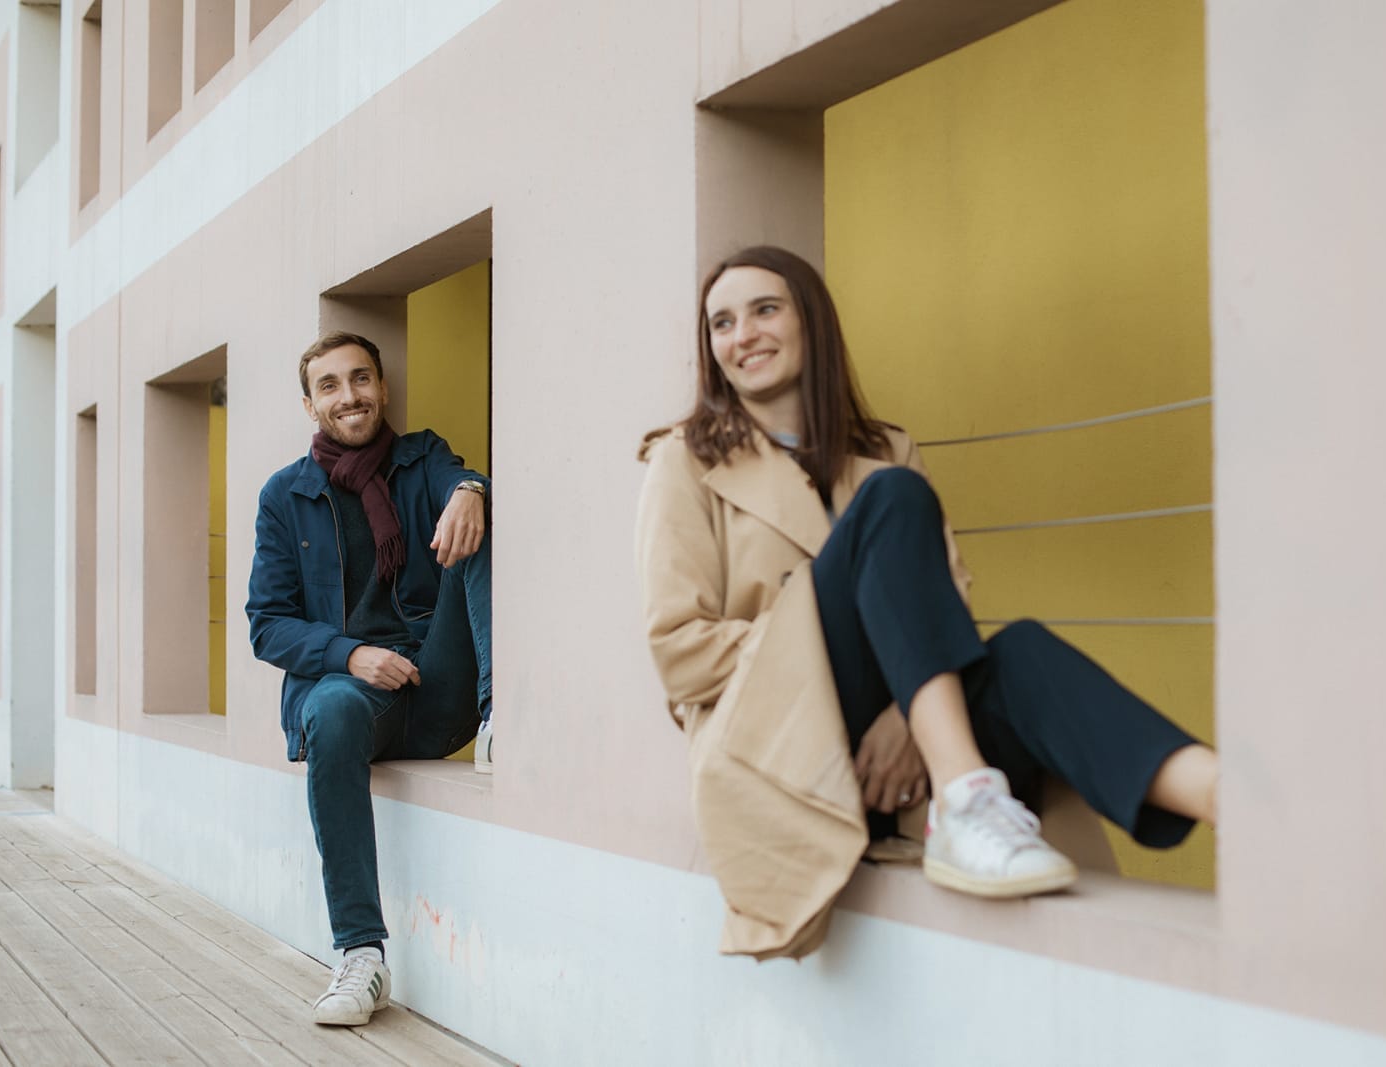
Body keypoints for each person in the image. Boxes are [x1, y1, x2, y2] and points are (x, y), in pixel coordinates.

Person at [636, 247, 1217, 947]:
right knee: (892, 501)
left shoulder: (886, 451)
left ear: (810, 321)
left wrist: (905, 716)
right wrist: (836, 659)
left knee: (1023, 652)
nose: (743, 334)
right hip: (778, 748)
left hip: (896, 761)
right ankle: (968, 799)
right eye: (721, 323)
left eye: (765, 309)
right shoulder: (684, 461)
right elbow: (680, 651)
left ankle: (1232, 801)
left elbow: (937, 607)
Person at [246, 331, 493, 1025]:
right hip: (353, 694)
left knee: (477, 515)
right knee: (331, 708)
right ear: (309, 403)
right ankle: (361, 953)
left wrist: (470, 489)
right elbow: (268, 622)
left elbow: (463, 492)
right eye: (329, 385)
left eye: (360, 379)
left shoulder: (422, 459)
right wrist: (351, 655)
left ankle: (498, 711)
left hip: (437, 684)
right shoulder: (285, 495)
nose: (348, 395)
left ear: (382, 390)